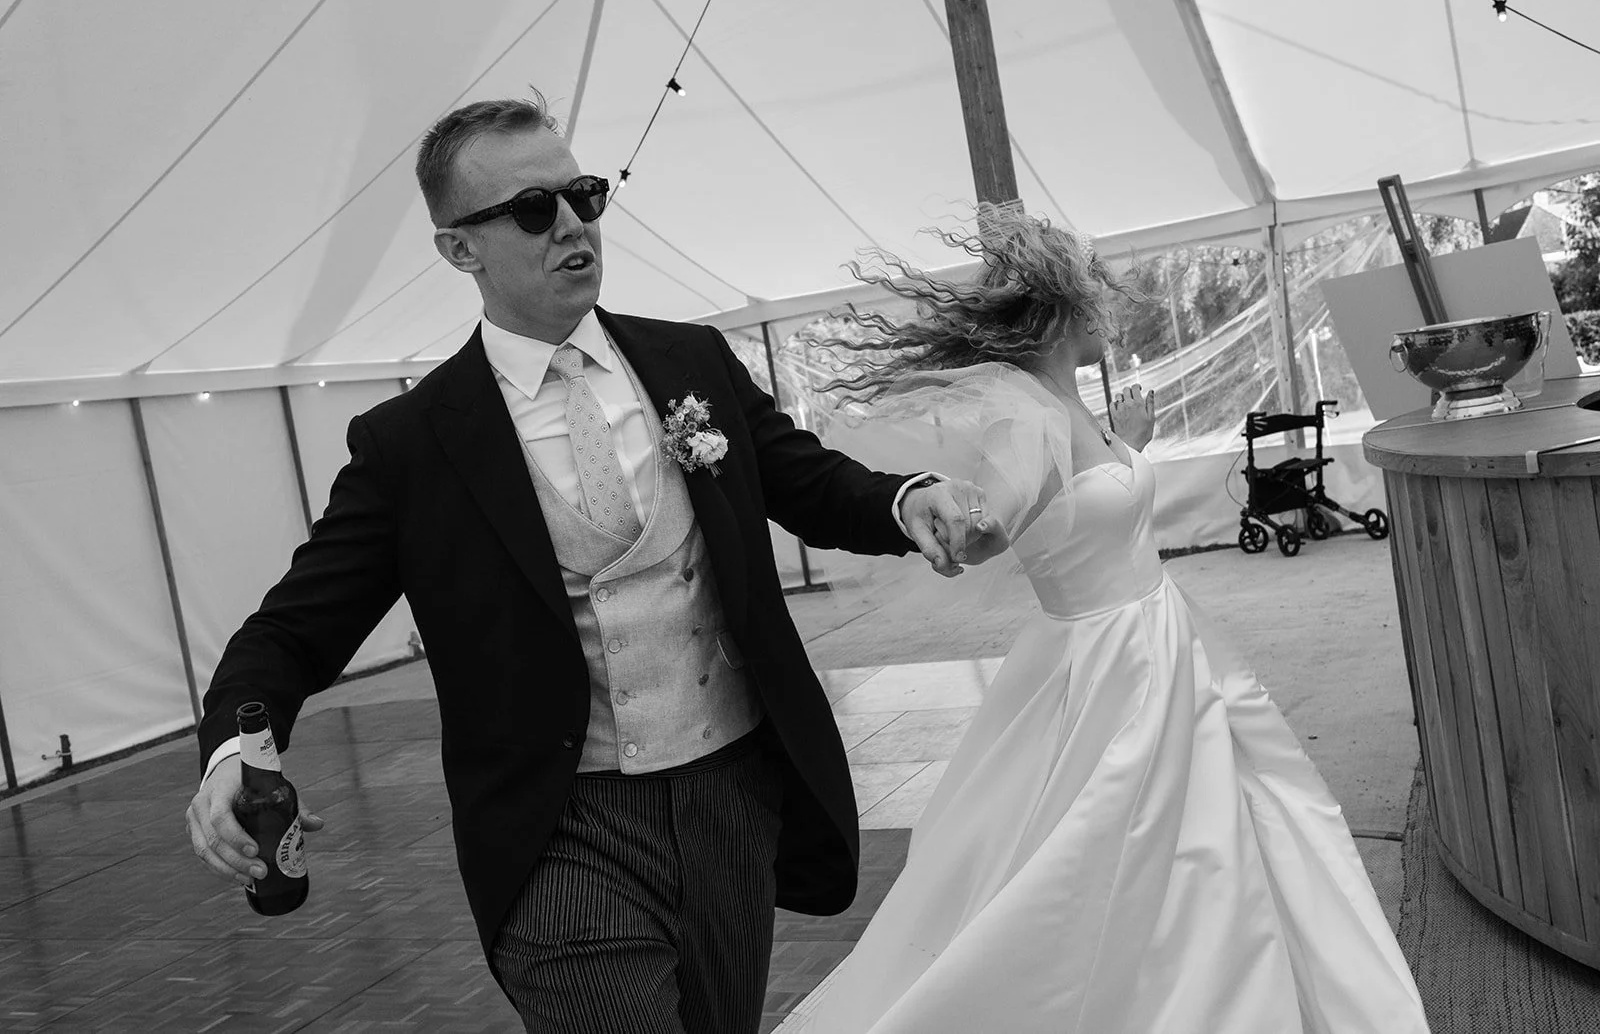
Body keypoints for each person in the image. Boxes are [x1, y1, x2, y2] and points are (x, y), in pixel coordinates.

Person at [184, 94, 999, 1033]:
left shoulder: (688, 359)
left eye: (582, 194)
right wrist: (224, 758)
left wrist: (906, 498)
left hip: (729, 794)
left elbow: (804, 477)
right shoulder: (412, 444)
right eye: (534, 209)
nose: (573, 222)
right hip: (558, 829)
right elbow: (293, 627)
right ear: (460, 249)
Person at [785, 206, 1431, 1033]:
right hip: (1112, 656)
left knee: (1212, 821)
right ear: (1059, 314)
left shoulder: (1069, 405)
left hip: (1159, 635)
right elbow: (1002, 523)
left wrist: (1127, 444)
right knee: (1122, 835)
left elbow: (1086, 494)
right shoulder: (1024, 416)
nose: (1109, 314)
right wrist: (959, 522)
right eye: (1095, 298)